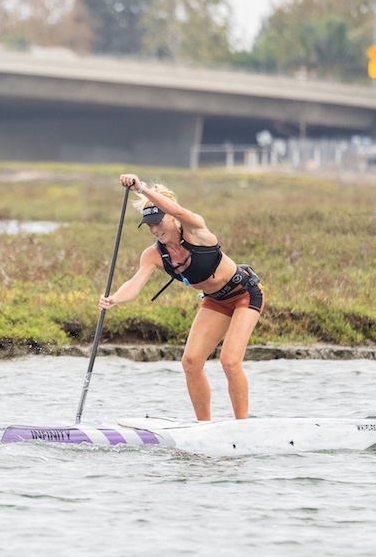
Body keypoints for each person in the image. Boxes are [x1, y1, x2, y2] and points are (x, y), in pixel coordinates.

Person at [98, 174, 264, 421]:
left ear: (172, 217)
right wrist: (114, 299)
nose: (155, 229)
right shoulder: (154, 254)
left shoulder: (195, 229)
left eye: (158, 221)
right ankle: (204, 426)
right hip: (215, 300)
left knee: (229, 361)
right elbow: (134, 283)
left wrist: (141, 188)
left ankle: (242, 426)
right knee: (190, 362)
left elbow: (176, 209)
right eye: (149, 225)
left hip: (244, 294)